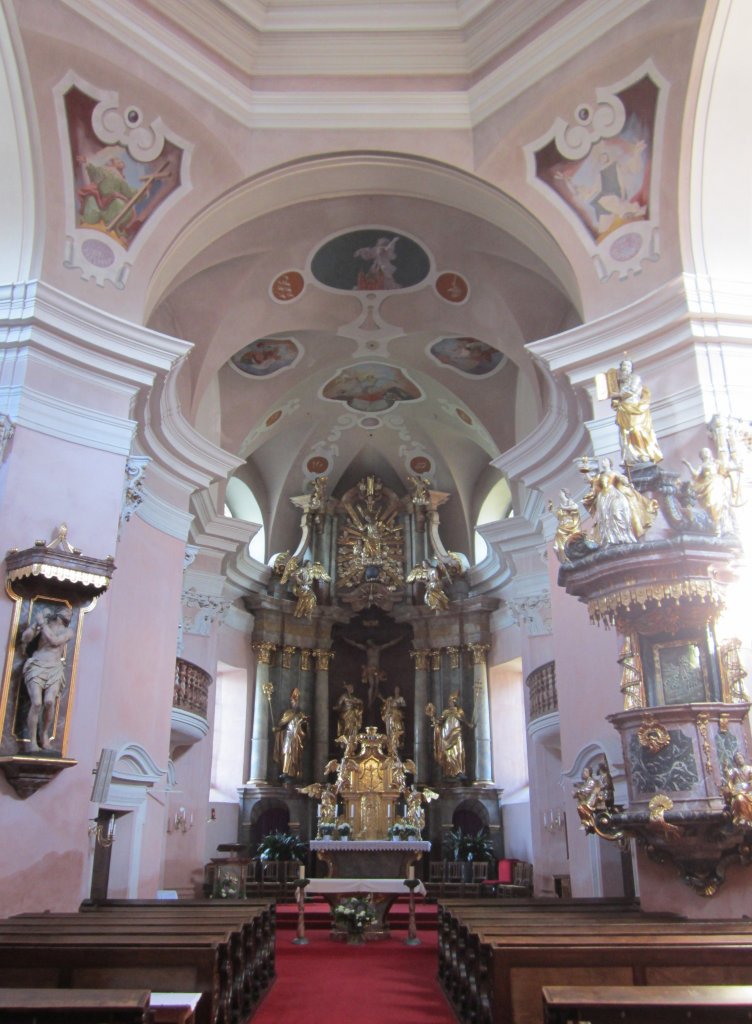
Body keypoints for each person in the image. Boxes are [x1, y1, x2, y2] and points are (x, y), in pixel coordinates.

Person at [21, 605, 74, 752]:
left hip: (54, 668)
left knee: (49, 701)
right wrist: (35, 624)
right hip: (37, 665)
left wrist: (41, 623)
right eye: (66, 610)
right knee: (37, 703)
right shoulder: (44, 624)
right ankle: (32, 742)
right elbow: (25, 638)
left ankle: (44, 734)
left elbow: (55, 641)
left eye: (71, 612)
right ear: (57, 613)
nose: (70, 612)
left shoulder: (68, 631)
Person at [578, 456, 657, 545]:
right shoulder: (600, 476)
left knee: (617, 514)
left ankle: (623, 536)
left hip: (614, 495)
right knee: (606, 518)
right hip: (603, 498)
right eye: (603, 461)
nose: (603, 462)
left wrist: (625, 481)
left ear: (609, 463)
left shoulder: (614, 473)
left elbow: (623, 479)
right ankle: (610, 538)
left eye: (605, 460)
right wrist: (585, 471)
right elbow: (591, 481)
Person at [610, 359, 663, 465]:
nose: (625, 368)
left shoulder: (635, 378)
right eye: (623, 366)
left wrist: (617, 395)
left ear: (631, 369)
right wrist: (615, 400)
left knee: (636, 430)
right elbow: (615, 400)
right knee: (625, 433)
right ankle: (631, 457)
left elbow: (631, 391)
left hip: (635, 408)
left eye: (628, 366)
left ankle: (643, 453)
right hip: (623, 410)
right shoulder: (619, 382)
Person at [683, 447, 736, 536]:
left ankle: (720, 528)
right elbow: (695, 475)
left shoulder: (716, 463)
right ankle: (715, 526)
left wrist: (736, 468)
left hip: (717, 483)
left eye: (707, 451)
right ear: (701, 456)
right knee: (711, 504)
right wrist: (688, 465)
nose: (706, 453)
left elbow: (726, 469)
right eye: (703, 452)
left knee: (719, 504)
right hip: (707, 486)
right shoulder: (702, 466)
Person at [342, 634, 403, 709]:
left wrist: (399, 638)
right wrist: (345, 639)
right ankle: (370, 702)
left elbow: (389, 644)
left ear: (372, 642)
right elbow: (355, 644)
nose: (369, 644)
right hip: (370, 669)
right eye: (368, 643)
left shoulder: (378, 648)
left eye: (370, 642)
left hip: (377, 669)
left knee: (376, 685)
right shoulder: (367, 649)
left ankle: (373, 700)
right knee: (372, 684)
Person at [426, 692, 473, 778]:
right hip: (446, 735)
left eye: (452, 701)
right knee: (448, 754)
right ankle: (449, 772)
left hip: (457, 732)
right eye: (449, 701)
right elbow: (439, 721)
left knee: (458, 751)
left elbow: (464, 720)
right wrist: (432, 716)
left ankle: (459, 771)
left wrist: (469, 725)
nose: (450, 703)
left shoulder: (459, 711)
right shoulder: (446, 712)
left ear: (455, 702)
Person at [272, 688, 308, 778]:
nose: (295, 703)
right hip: (288, 736)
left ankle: (295, 771)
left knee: (296, 755)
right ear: (291, 702)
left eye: (296, 701)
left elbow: (305, 728)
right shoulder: (288, 713)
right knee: (287, 752)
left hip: (297, 737)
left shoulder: (301, 714)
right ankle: (285, 771)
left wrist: (304, 722)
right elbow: (282, 724)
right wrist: (276, 729)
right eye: (293, 701)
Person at [551, 489, 583, 563]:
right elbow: (558, 516)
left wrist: (564, 508)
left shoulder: (569, 501)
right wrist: (552, 510)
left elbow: (575, 507)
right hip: (562, 526)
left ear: (564, 493)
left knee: (568, 541)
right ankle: (564, 559)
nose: (559, 494)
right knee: (556, 547)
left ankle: (569, 557)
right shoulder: (560, 506)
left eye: (560, 493)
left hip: (570, 525)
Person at [722, 752, 752, 827]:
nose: (739, 760)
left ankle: (746, 817)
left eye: (740, 758)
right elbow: (729, 779)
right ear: (735, 762)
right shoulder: (734, 770)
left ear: (744, 759)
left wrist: (746, 790)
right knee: (738, 797)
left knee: (740, 798)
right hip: (737, 790)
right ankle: (741, 817)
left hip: (748, 790)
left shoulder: (750, 769)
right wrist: (725, 769)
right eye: (737, 759)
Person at [333, 682, 363, 747]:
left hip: (353, 715)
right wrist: (337, 708)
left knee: (353, 728)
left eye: (352, 688)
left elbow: (360, 703)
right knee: (346, 728)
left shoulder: (353, 698)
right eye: (350, 688)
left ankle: (351, 743)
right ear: (347, 688)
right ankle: (344, 743)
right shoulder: (344, 696)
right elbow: (338, 705)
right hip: (345, 715)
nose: (352, 689)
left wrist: (359, 704)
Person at [380, 685, 406, 752]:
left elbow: (404, 706)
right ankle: (391, 744)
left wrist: (397, 705)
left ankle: (398, 744)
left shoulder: (401, 699)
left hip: (397, 717)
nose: (396, 691)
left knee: (398, 730)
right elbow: (385, 705)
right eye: (395, 689)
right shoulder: (390, 699)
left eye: (398, 689)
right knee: (390, 731)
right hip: (391, 717)